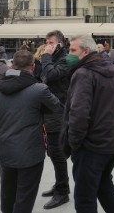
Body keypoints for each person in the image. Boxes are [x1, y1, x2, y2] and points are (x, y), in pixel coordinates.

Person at [0, 50, 60, 213]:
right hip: (31, 153)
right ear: (32, 67)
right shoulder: (39, 89)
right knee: (25, 197)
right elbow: (56, 108)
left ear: (12, 65)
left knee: (7, 195)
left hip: (6, 151)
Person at [63, 34, 114, 212]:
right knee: (104, 185)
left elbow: (78, 114)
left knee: (85, 198)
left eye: (72, 50)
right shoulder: (113, 70)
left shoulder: (83, 73)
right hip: (112, 144)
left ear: (85, 52)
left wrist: (74, 144)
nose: (68, 54)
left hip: (91, 147)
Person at [39, 30, 71, 209]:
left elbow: (50, 75)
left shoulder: (65, 59)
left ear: (60, 43)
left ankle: (62, 191)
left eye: (50, 42)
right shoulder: (54, 59)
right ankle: (61, 183)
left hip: (58, 111)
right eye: (46, 42)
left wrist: (46, 57)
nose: (47, 45)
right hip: (50, 109)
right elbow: (44, 77)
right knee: (53, 151)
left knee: (57, 153)